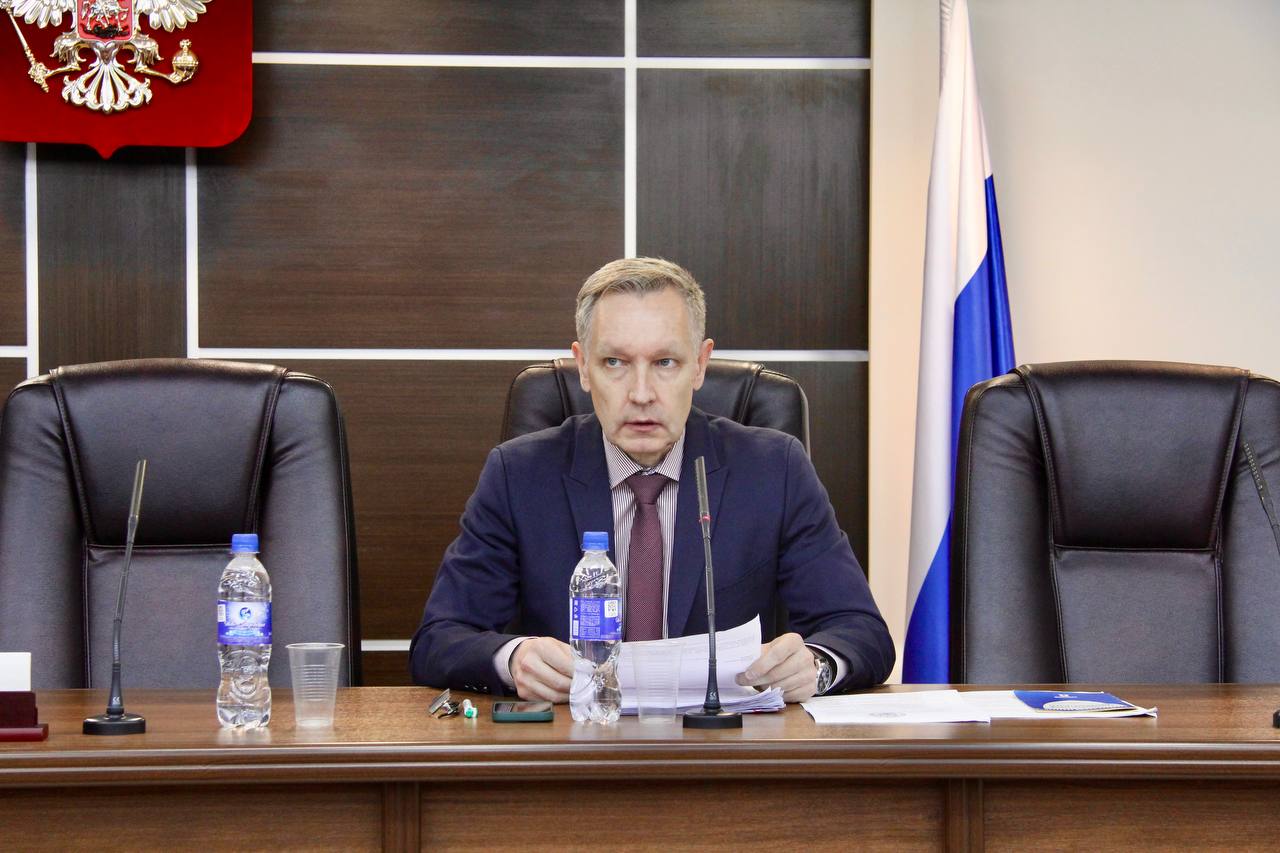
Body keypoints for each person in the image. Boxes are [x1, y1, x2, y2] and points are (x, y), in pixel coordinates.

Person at [410, 258, 894, 702]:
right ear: (583, 366)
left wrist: (816, 666)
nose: (641, 394)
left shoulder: (774, 470)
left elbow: (861, 631)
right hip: (573, 746)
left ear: (700, 364)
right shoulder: (519, 475)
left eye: (665, 362)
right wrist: (513, 659)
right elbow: (440, 639)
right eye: (615, 363)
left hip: (723, 747)